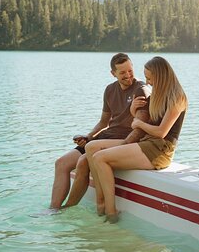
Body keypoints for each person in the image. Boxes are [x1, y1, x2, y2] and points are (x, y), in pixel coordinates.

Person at [85, 56, 187, 223]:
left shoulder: (177, 97)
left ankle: (111, 213)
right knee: (92, 147)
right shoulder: (158, 94)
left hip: (160, 150)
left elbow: (161, 132)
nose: (147, 82)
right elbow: (145, 123)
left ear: (160, 76)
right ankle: (101, 202)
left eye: (149, 78)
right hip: (146, 142)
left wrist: (137, 122)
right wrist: (134, 112)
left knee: (100, 158)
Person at [46, 53, 150, 214]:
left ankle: (68, 209)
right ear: (113, 73)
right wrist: (89, 136)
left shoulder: (141, 89)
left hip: (122, 141)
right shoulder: (109, 90)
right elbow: (104, 122)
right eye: (122, 73)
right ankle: (53, 209)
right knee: (61, 163)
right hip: (104, 137)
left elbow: (142, 123)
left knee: (82, 162)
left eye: (130, 70)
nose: (128, 75)